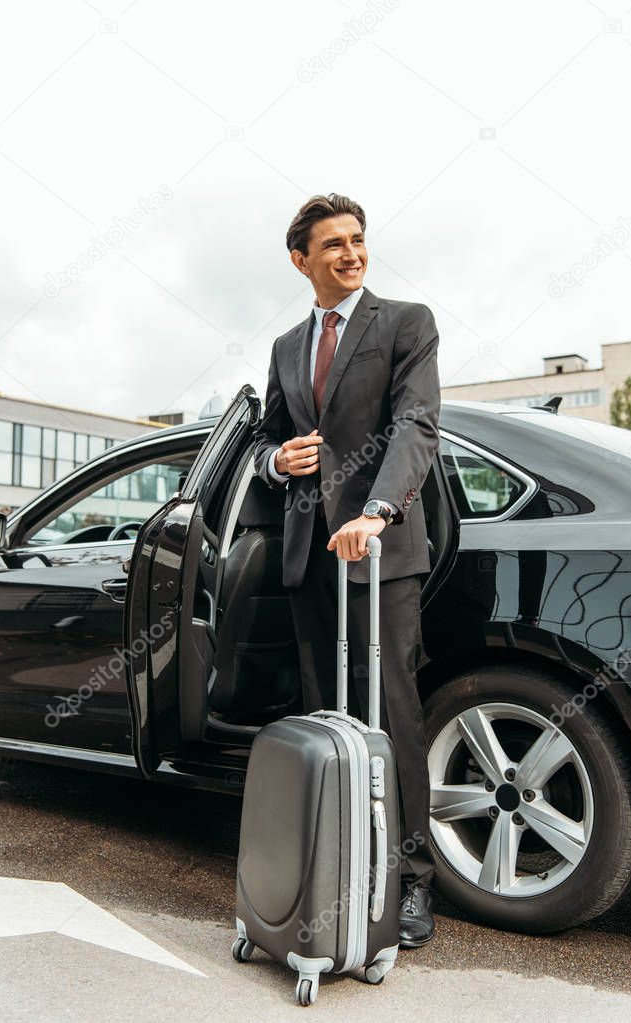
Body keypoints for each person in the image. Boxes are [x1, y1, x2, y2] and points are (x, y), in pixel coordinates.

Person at [253, 192, 441, 947]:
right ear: (300, 260)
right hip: (310, 555)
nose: (350, 253)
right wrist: (275, 459)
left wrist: (380, 509)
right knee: (326, 718)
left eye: (357, 240)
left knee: (394, 719)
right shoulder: (285, 347)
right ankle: (337, 871)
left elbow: (415, 423)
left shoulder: (404, 322)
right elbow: (272, 435)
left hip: (380, 551)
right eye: (331, 244)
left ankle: (410, 882)